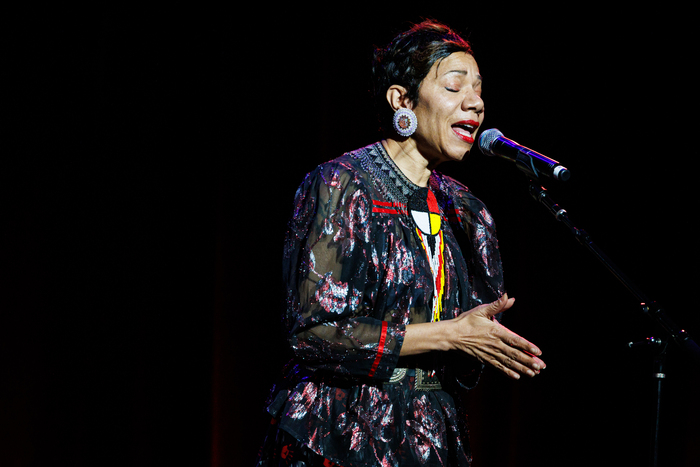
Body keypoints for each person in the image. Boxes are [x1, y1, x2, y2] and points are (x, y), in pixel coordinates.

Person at [255, 20, 546, 467]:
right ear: (402, 100)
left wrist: (480, 339)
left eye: (479, 89)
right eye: (454, 86)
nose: (476, 102)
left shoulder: (467, 211)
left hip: (429, 433)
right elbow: (314, 334)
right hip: (341, 431)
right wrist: (449, 335)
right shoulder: (344, 185)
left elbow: (468, 351)